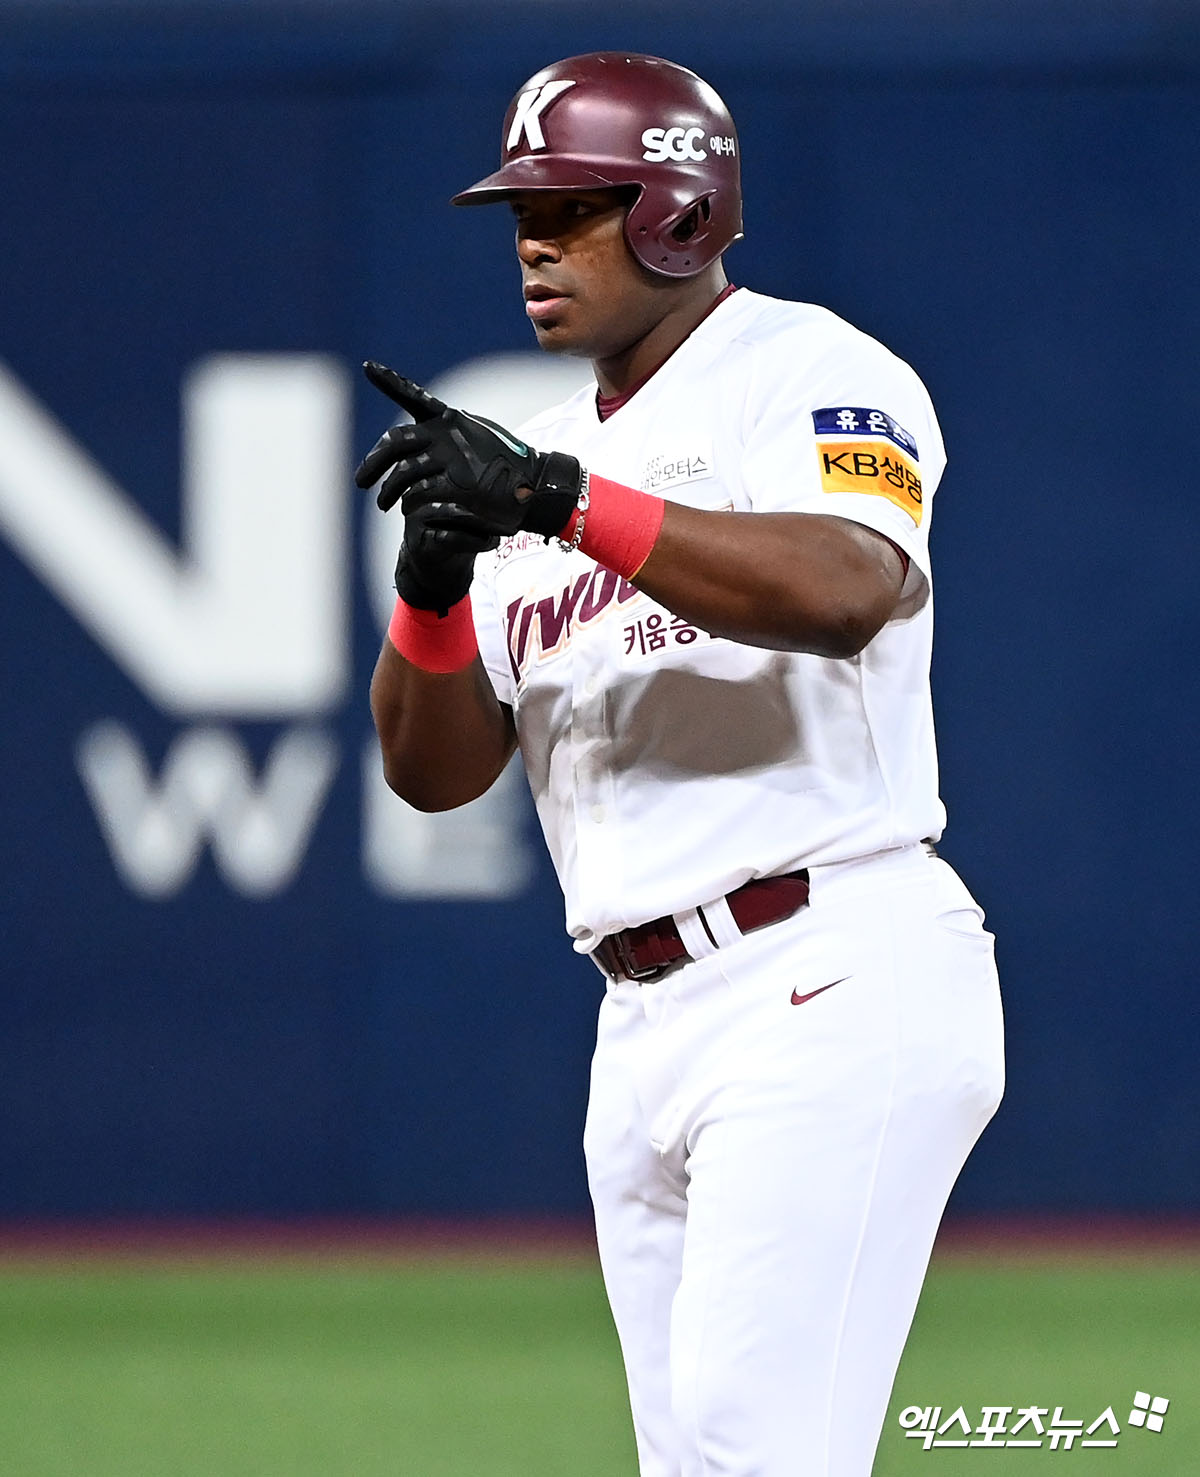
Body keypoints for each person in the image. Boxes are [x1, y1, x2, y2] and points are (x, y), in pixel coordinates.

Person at [356, 51, 1004, 1477]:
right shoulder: (546, 462)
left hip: (826, 967)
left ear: (678, 211)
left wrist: (559, 500)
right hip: (642, 1020)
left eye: (571, 206)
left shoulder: (809, 369)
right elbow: (433, 775)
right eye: (521, 214)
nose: (532, 243)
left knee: (755, 1451)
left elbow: (845, 586)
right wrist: (433, 588)